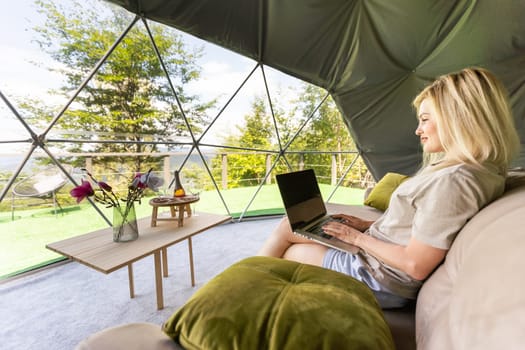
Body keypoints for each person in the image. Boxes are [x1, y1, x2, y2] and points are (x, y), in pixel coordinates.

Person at [257, 67, 521, 308]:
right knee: (294, 226)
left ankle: (250, 290)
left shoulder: (455, 180)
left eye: (426, 119)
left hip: (380, 277)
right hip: (379, 262)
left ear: (458, 118)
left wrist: (357, 238)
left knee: (291, 246)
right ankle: (253, 283)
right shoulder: (479, 170)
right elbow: (419, 225)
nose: (418, 130)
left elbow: (415, 264)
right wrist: (365, 226)